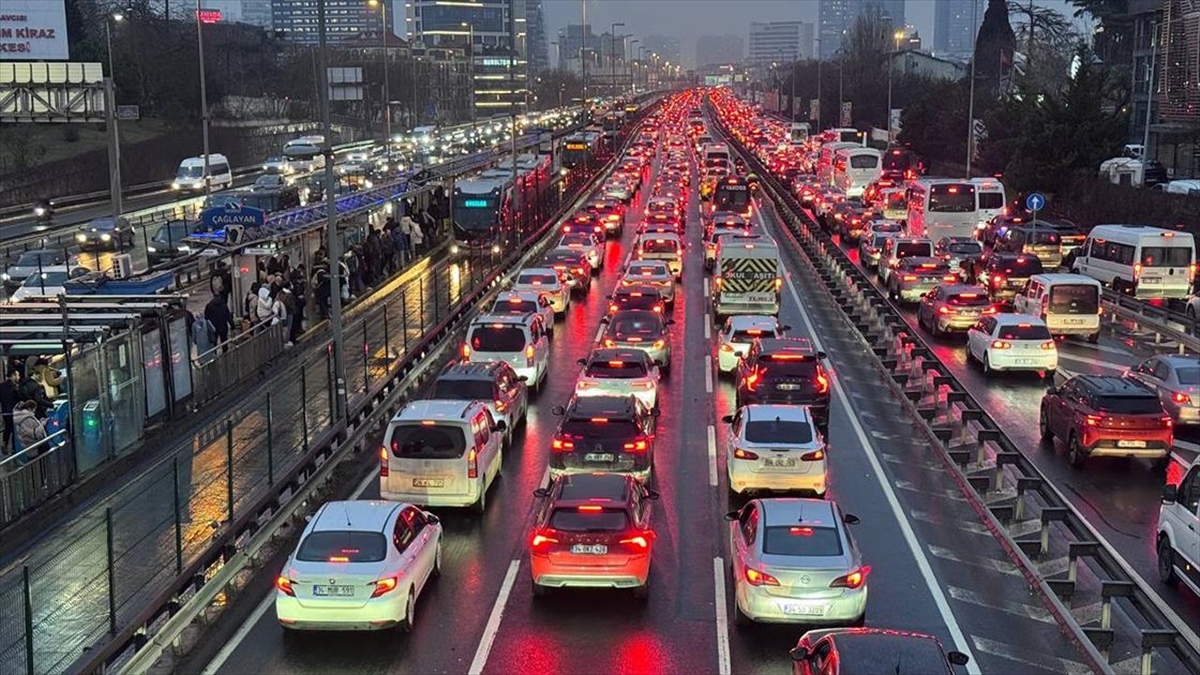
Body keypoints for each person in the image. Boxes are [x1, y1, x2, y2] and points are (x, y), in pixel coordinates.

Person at [0, 369, 20, 453]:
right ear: (13, 376)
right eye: (17, 375)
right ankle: (14, 448)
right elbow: (18, 398)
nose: (19, 377)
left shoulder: (1, 386)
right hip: (14, 411)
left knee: (8, 428)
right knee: (14, 429)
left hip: (5, 411)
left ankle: (5, 443)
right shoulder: (15, 387)